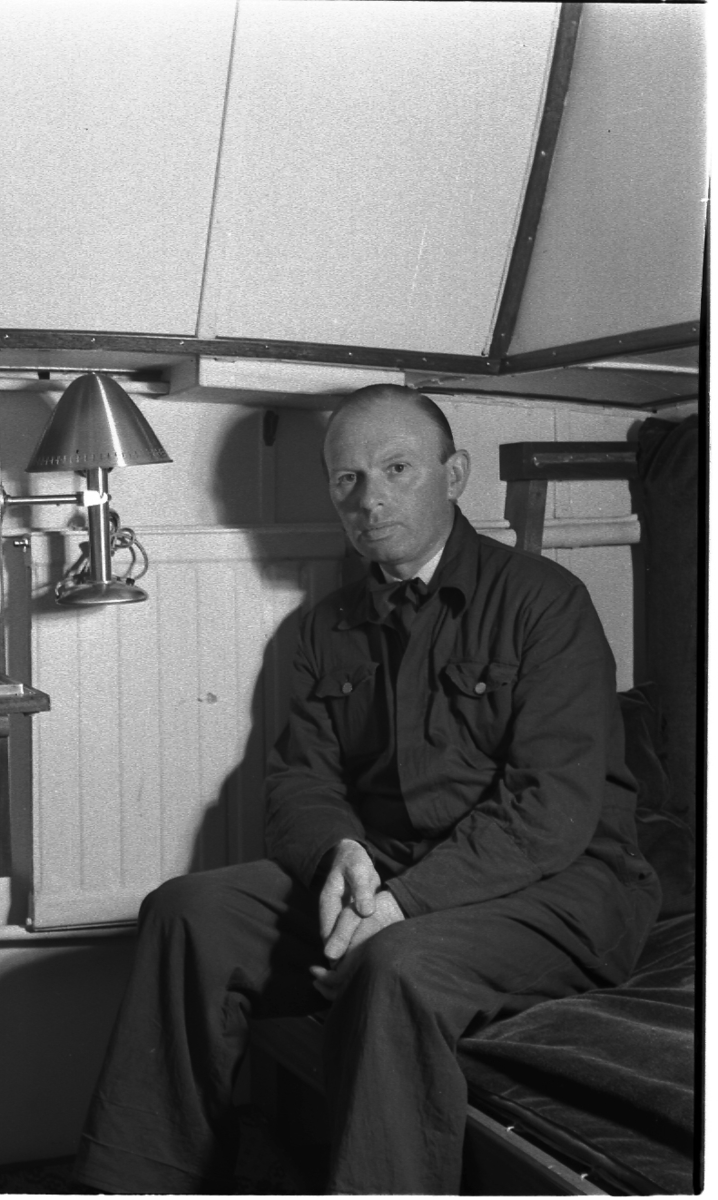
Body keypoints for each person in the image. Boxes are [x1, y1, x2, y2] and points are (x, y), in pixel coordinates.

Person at [73, 385, 660, 1194]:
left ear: (454, 475)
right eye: (346, 478)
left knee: (394, 966)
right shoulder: (326, 627)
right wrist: (340, 856)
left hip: (556, 888)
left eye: (396, 469)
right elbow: (300, 780)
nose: (370, 498)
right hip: (388, 872)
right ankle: (140, 1186)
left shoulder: (543, 602)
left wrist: (402, 904)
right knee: (187, 914)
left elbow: (549, 813)